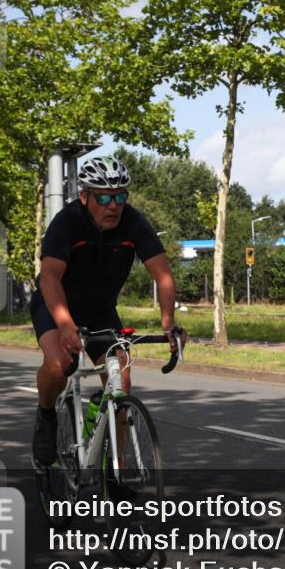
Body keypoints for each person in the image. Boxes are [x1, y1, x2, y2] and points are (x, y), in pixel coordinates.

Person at [30, 155, 183, 466]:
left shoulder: (134, 222)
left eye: (120, 196)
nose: (113, 205)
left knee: (120, 382)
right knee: (60, 365)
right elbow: (49, 278)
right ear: (85, 196)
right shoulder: (67, 222)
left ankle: (114, 470)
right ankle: (46, 415)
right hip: (56, 305)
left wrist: (168, 323)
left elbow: (164, 276)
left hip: (100, 311)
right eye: (103, 197)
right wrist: (65, 325)